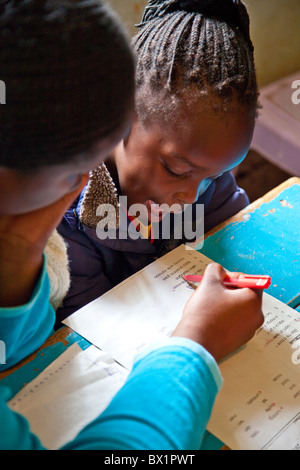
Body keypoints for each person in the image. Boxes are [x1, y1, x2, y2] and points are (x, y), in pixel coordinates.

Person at [0, 0, 264, 450]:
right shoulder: (66, 222)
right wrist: (194, 346)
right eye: (69, 170)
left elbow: (21, 338)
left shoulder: (28, 233)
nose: (82, 182)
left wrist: (19, 251)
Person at [56, 0, 259, 324]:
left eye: (213, 176)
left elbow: (232, 245)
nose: (192, 196)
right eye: (176, 170)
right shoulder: (65, 215)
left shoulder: (203, 177)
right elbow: (90, 327)